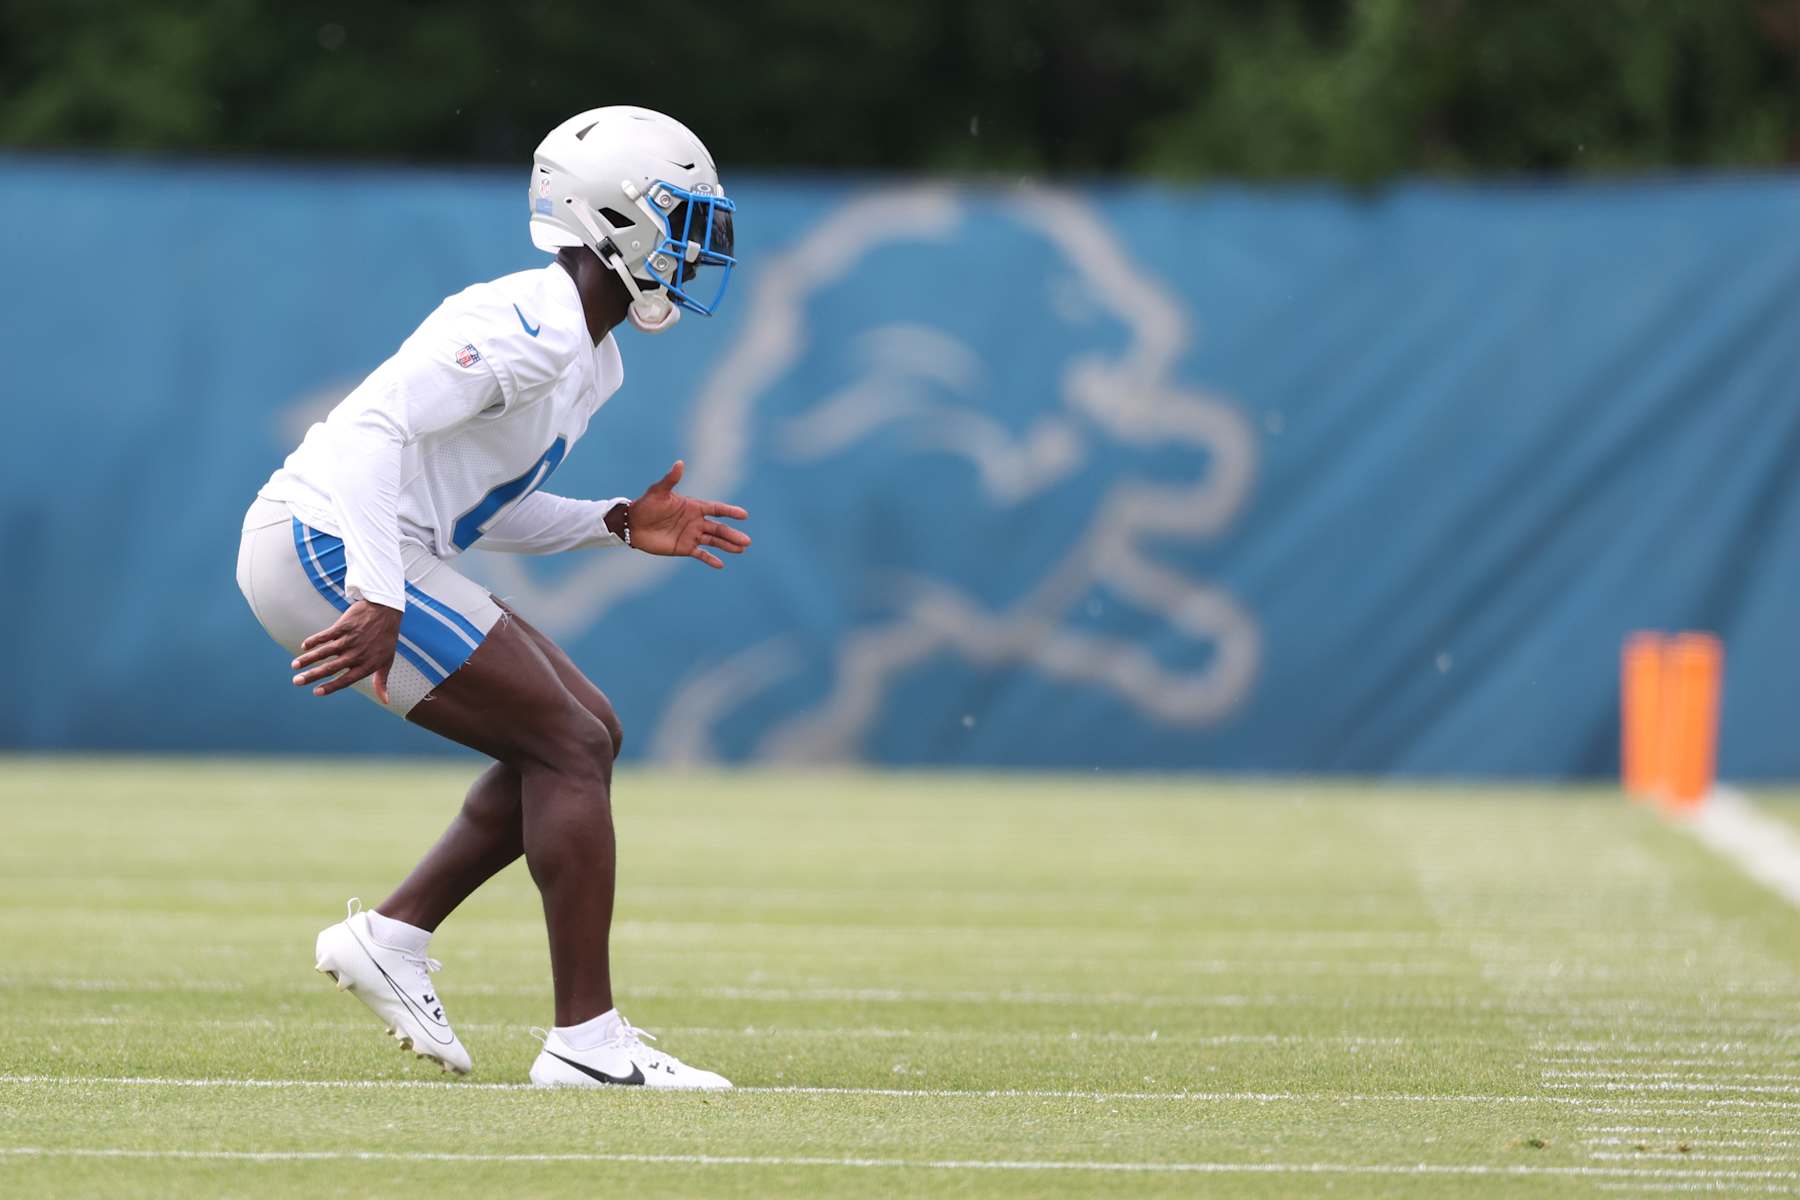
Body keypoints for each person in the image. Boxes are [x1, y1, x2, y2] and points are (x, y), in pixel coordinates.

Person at [234, 106, 747, 1089]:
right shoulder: (535, 325)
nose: (692, 245)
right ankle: (586, 1044)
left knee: (589, 731)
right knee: (567, 743)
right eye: (677, 218)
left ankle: (393, 934)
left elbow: (476, 508)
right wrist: (376, 592)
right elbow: (367, 433)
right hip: (324, 540)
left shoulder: (593, 355)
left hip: (371, 542)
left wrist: (612, 522)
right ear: (609, 217)